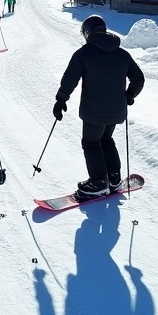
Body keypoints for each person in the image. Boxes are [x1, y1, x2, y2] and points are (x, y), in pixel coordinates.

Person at [53, 15, 145, 200]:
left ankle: (98, 183)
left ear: (87, 33)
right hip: (116, 111)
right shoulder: (122, 54)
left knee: (91, 143)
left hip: (93, 112)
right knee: (106, 139)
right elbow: (139, 79)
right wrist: (128, 96)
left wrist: (61, 100)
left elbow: (70, 79)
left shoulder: (84, 53)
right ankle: (114, 178)